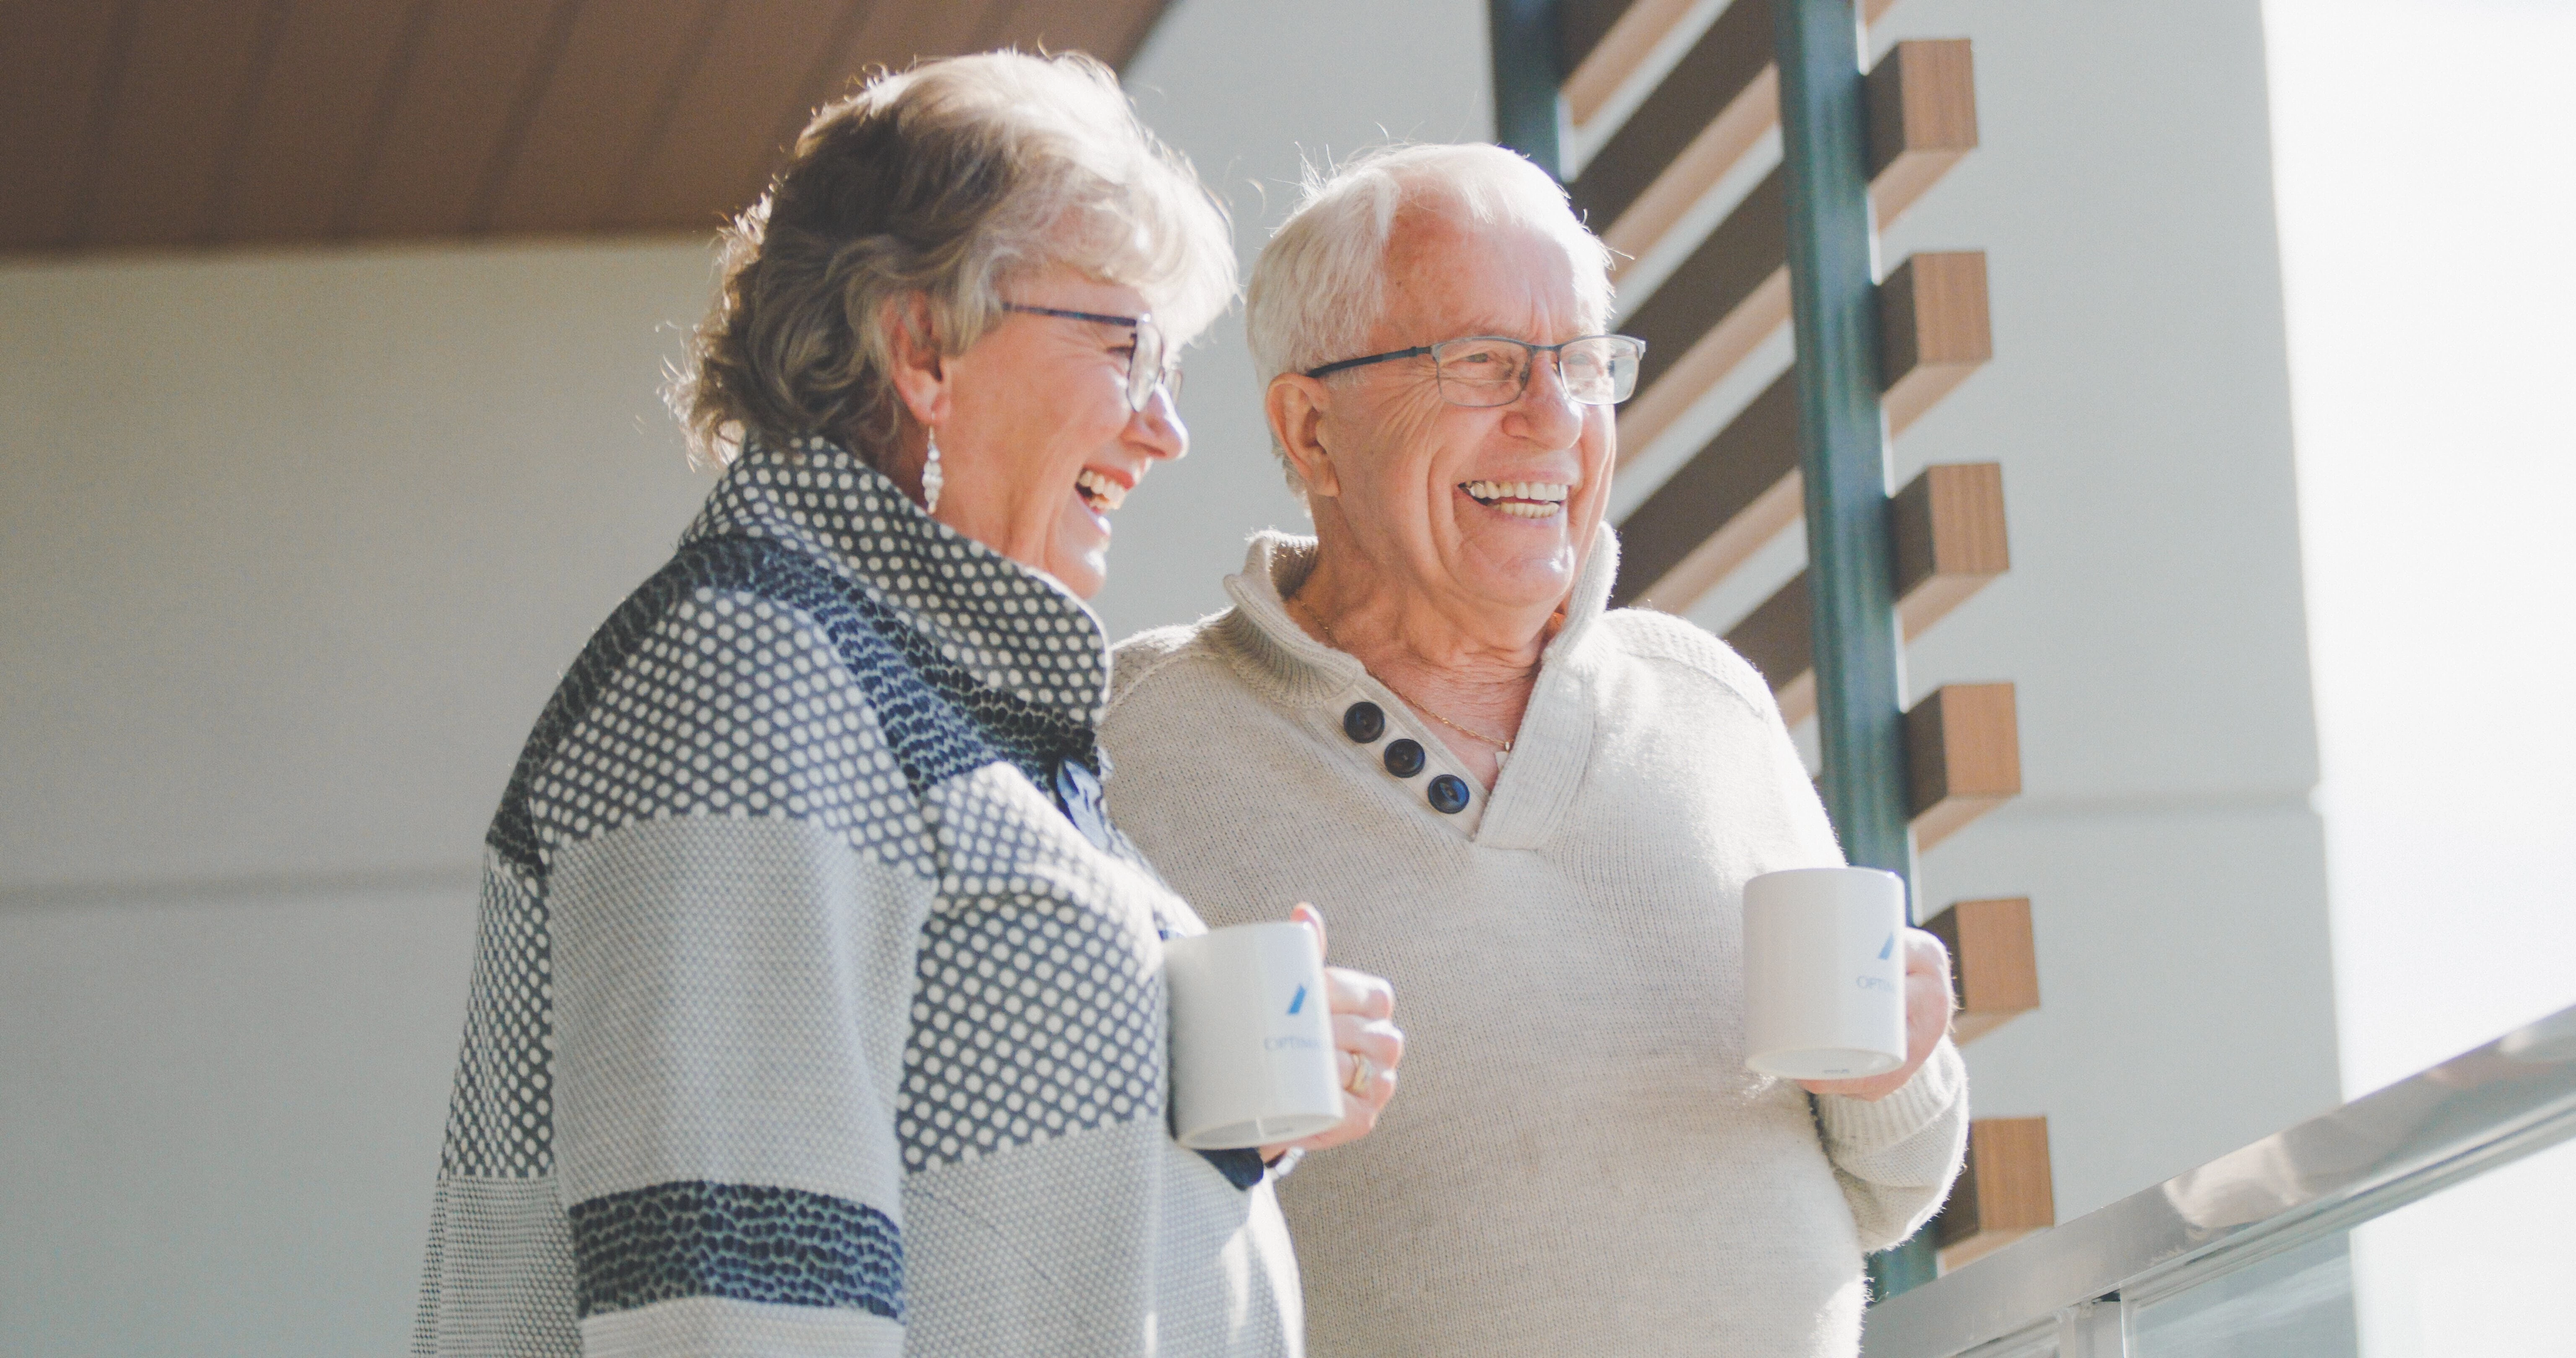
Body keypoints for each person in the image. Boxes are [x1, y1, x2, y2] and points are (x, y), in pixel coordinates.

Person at [412, 52, 1401, 1358]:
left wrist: (1210, 1096)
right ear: (925, 347)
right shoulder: (751, 674)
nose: (1168, 427)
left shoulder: (913, 683)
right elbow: (736, 1298)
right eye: (1127, 348)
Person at [1098, 143, 1967, 1358]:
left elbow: (1892, 1190)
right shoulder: (1132, 744)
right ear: (1310, 430)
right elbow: (1057, 1199)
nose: (1554, 417)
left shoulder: (1706, 701)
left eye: (1581, 365)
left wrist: (1897, 1076)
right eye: (1484, 365)